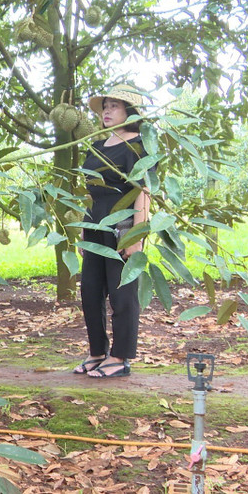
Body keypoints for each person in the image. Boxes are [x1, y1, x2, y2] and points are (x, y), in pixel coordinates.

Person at [73, 85, 151, 379]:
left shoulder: (139, 147)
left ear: (129, 112)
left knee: (122, 295)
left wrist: (136, 236)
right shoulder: (96, 147)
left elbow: (143, 191)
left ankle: (119, 357)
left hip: (122, 228)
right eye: (105, 106)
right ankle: (96, 352)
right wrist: (83, 229)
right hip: (94, 225)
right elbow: (89, 191)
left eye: (114, 106)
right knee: (90, 292)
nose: (107, 111)